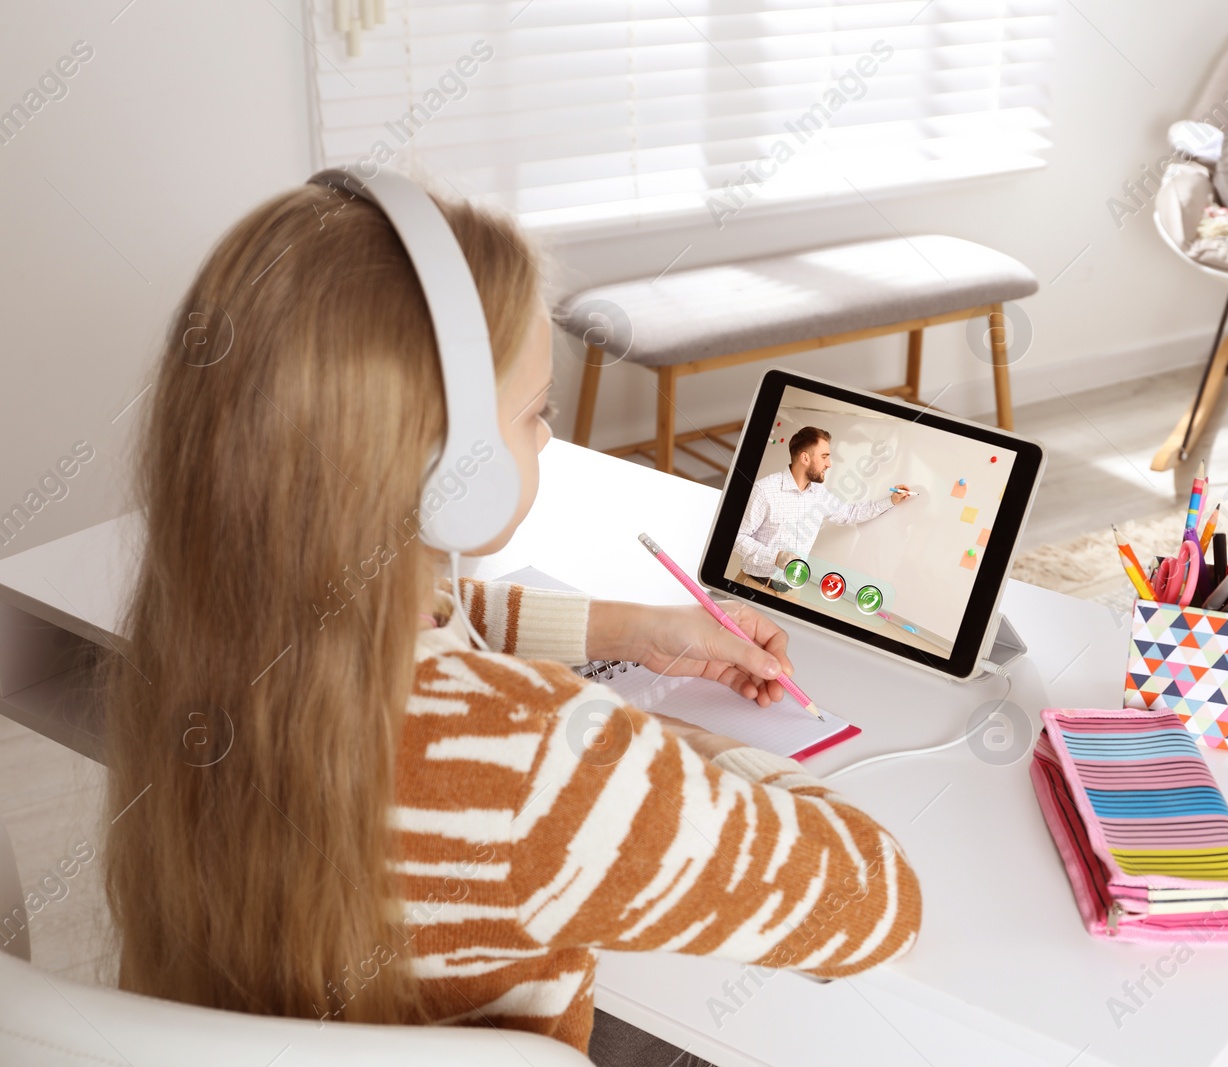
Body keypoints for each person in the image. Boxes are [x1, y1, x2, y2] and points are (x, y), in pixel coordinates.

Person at [101, 178, 920, 1059]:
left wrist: (635, 631)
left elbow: (437, 621)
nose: (547, 444)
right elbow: (876, 899)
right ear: (440, 465)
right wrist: (675, 746)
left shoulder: (200, 629)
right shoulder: (536, 759)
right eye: (534, 415)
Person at [735, 426, 909, 590]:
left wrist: (891, 501)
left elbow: (849, 514)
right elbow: (738, 537)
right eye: (824, 457)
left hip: (792, 590)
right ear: (805, 458)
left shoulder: (819, 493)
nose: (829, 464)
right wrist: (775, 557)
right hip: (754, 585)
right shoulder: (765, 490)